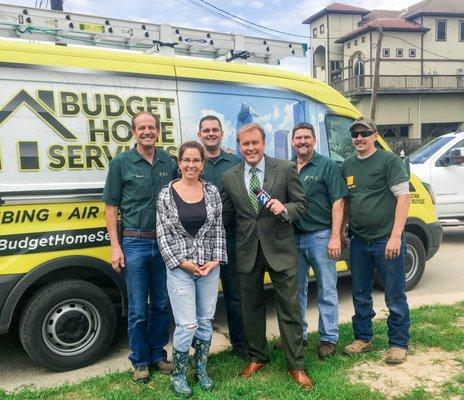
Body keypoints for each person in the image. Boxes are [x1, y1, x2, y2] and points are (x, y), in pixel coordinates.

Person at [221, 123, 313, 390]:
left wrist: (284, 207)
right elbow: (227, 216)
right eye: (245, 144)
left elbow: (302, 204)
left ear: (264, 144)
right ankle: (257, 357)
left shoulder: (284, 168)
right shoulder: (230, 176)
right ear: (239, 146)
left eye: (255, 143)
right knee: (250, 308)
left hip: (280, 249)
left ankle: (296, 365)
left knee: (289, 309)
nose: (250, 148)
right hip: (247, 250)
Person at [102, 111, 176, 382]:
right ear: (134, 132)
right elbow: (110, 206)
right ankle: (140, 361)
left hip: (165, 243)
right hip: (134, 242)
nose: (147, 131)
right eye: (141, 127)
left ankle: (158, 355)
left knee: (160, 303)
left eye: (151, 127)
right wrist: (115, 246)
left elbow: (189, 180)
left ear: (158, 131)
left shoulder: (168, 161)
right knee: (137, 307)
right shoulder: (121, 162)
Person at [156, 141, 227, 397]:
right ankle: (178, 374)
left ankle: (202, 370)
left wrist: (215, 260)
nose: (191, 165)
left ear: (202, 164)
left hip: (208, 267)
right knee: (187, 325)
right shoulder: (166, 193)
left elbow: (219, 228)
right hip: (180, 268)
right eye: (186, 160)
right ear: (179, 163)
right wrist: (181, 262)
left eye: (196, 160)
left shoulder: (211, 192)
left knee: (205, 321)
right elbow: (162, 235)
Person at [341, 116, 411, 365]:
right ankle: (363, 338)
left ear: (375, 135)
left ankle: (398, 343)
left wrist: (395, 236)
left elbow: (404, 198)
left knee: (394, 293)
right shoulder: (347, 165)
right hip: (359, 241)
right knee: (360, 293)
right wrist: (341, 232)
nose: (359, 138)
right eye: (355, 134)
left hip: (386, 240)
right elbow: (347, 203)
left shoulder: (389, 161)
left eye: (364, 133)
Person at [291, 122, 348, 359]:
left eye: (307, 137)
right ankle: (298, 337)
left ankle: (328, 338)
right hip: (294, 238)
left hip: (321, 236)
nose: (302, 141)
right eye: (298, 138)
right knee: (296, 291)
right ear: (293, 142)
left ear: (314, 140)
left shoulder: (326, 165)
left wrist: (335, 236)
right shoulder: (287, 167)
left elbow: (339, 201)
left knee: (326, 289)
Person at [196, 115, 247, 359]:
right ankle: (199, 351)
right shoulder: (192, 162)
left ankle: (241, 345)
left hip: (231, 238)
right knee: (200, 301)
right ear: (199, 135)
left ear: (221, 133)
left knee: (235, 296)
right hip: (200, 241)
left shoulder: (235, 161)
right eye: (206, 130)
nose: (211, 134)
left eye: (215, 130)